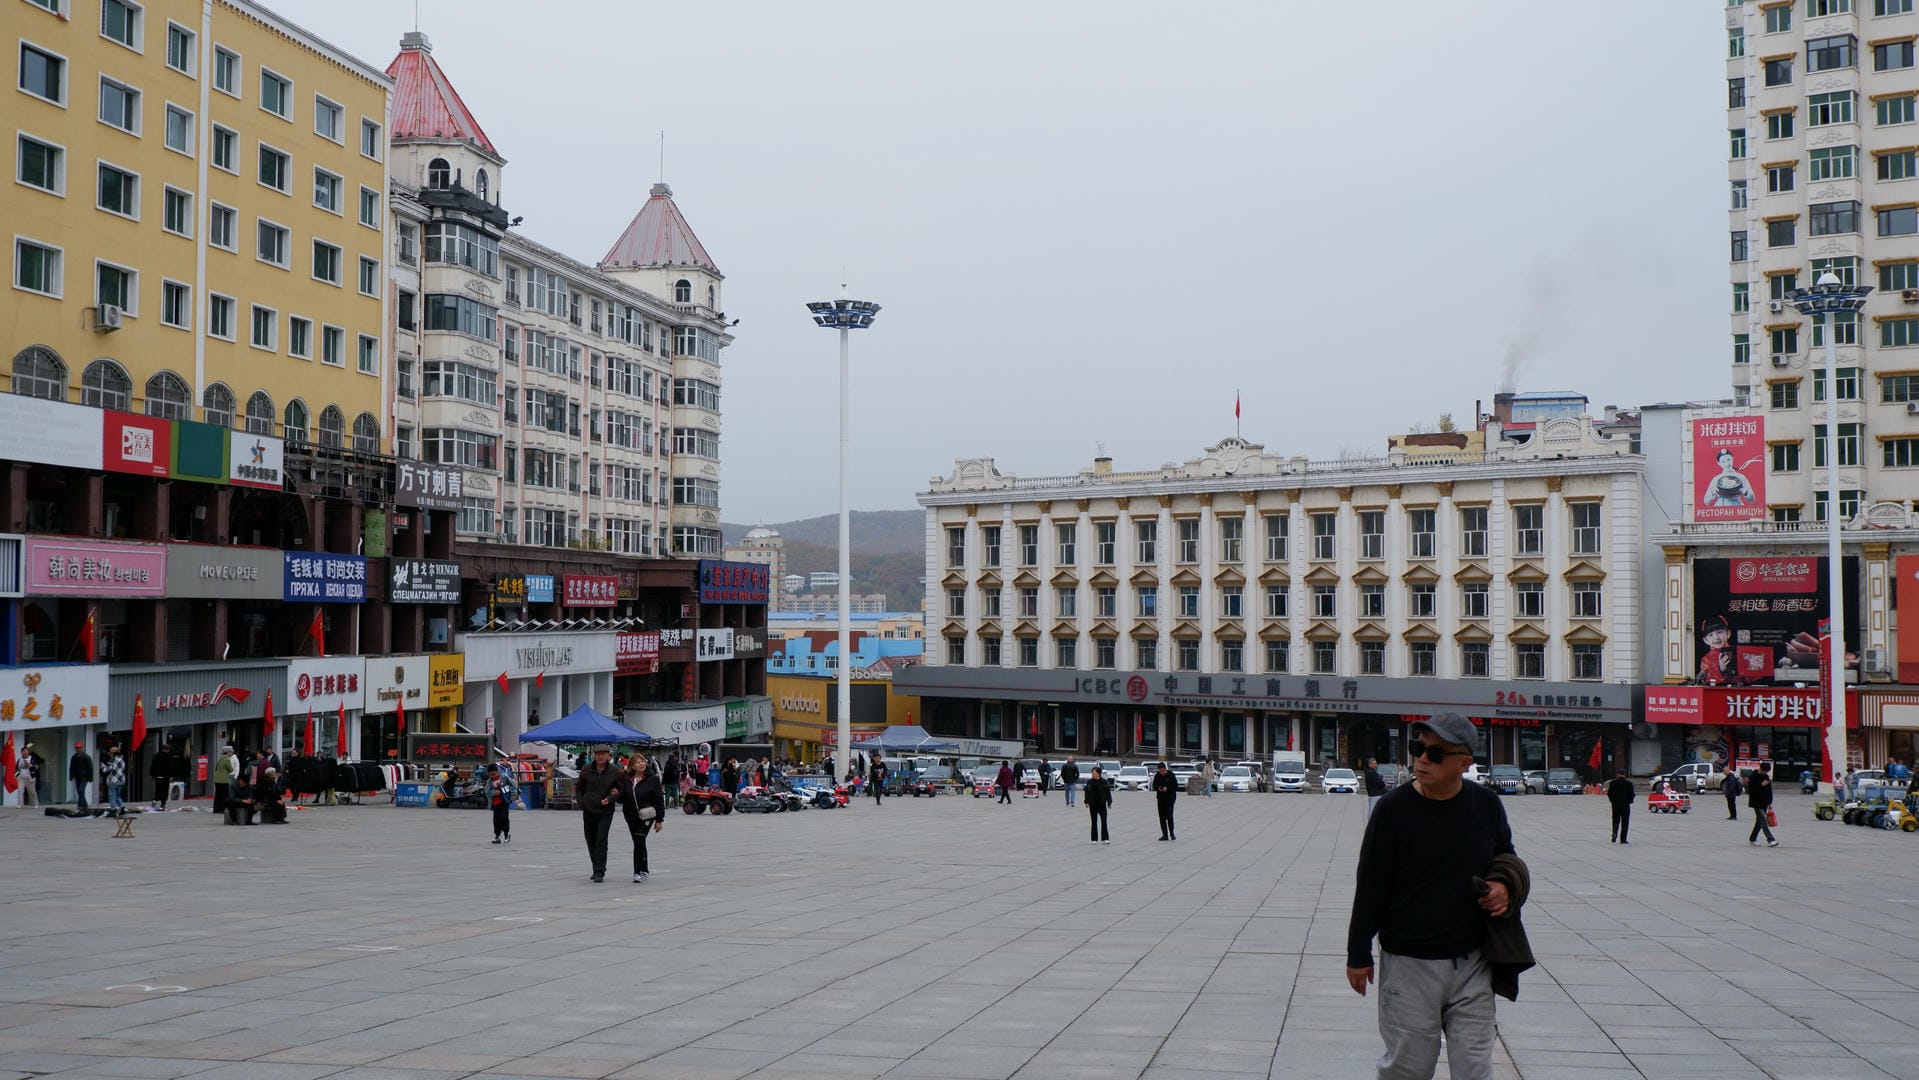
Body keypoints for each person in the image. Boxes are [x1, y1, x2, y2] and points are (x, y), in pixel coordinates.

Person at [1347, 712, 1527, 1080]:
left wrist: (1505, 887)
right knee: (1407, 1069)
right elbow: (1370, 884)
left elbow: (1505, 857)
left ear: (1465, 763)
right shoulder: (1392, 810)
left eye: (1436, 753)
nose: (1423, 760)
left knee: (1475, 1068)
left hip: (1474, 962)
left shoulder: (1486, 805)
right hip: (1409, 963)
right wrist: (1358, 953)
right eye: (1418, 749)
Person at [576, 745, 630, 883]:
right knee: (591, 839)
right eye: (598, 754)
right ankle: (596, 866)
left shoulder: (615, 771)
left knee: (601, 839)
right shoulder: (586, 769)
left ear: (609, 756)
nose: (600, 756)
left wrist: (611, 798)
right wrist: (581, 802)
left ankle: (599, 870)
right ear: (594, 755)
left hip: (605, 810)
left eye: (604, 754)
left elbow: (621, 789)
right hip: (589, 808)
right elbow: (579, 787)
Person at [622, 753, 665, 883]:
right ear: (631, 766)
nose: (641, 764)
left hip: (647, 814)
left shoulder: (652, 779)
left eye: (642, 761)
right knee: (638, 842)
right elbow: (622, 796)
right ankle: (644, 868)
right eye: (637, 762)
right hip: (631, 814)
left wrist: (659, 820)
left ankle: (637, 872)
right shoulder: (627, 779)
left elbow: (659, 800)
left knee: (639, 838)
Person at [1748, 761, 1778, 847]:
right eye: (1765, 771)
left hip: (1764, 802)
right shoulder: (1753, 776)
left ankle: (1752, 838)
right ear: (1760, 769)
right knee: (1763, 819)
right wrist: (1761, 785)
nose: (1765, 773)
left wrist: (1770, 802)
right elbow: (1751, 791)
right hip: (1756, 802)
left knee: (1759, 821)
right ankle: (1770, 839)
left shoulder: (1766, 776)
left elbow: (1769, 790)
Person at [486, 763, 517, 844]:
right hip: (495, 803)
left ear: (497, 771)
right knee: (496, 820)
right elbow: (487, 791)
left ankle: (507, 834)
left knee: (504, 818)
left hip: (504, 801)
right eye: (490, 775)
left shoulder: (504, 776)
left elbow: (513, 786)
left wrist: (513, 796)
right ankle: (497, 836)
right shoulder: (489, 781)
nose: (492, 776)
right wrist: (493, 792)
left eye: (493, 774)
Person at [1084, 765, 1112, 844]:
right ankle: (1094, 839)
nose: (1092, 774)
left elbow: (1108, 793)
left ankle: (1105, 838)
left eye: (1093, 772)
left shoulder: (1104, 782)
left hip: (1102, 804)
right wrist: (1086, 802)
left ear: (1098, 773)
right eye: (1092, 772)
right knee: (1094, 822)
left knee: (1104, 821)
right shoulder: (1090, 782)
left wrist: (1109, 802)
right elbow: (1087, 792)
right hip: (1093, 804)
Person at [1152, 761, 1178, 841]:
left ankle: (1172, 833)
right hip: (1160, 799)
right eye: (1160, 771)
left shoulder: (1170, 775)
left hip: (1170, 799)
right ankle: (1165, 834)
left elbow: (1175, 785)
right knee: (1162, 817)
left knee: (1169, 816)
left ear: (1165, 769)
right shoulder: (1157, 775)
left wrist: (1167, 788)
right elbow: (1154, 785)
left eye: (1162, 770)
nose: (1161, 772)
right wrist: (1158, 788)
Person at [1606, 769, 1634, 844]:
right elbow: (1632, 794)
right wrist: (1630, 801)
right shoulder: (1629, 784)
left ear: (1617, 774)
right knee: (1625, 822)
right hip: (1625, 805)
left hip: (1615, 805)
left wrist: (1612, 801)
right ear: (1624, 775)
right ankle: (1623, 839)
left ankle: (1614, 833)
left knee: (1615, 820)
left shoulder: (1613, 783)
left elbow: (1609, 793)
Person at [69, 742, 95, 815]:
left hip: (84, 777)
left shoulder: (86, 757)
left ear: (82, 748)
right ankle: (85, 805)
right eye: (77, 748)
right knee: (79, 791)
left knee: (81, 790)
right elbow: (71, 767)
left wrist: (90, 778)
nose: (78, 749)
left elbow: (90, 768)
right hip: (77, 777)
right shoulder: (74, 757)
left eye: (79, 748)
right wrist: (71, 776)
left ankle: (80, 805)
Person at [101, 746, 126, 815]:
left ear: (113, 753)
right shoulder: (122, 760)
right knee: (118, 795)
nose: (110, 755)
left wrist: (103, 766)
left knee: (112, 795)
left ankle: (113, 810)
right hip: (121, 780)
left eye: (111, 753)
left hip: (113, 781)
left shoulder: (112, 760)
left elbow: (107, 769)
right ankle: (122, 808)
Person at [17, 743, 38, 807]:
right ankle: (20, 804)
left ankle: (35, 803)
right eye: (23, 751)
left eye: (26, 751)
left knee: (31, 791)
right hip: (21, 777)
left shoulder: (32, 759)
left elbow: (36, 767)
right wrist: (16, 776)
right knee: (20, 790)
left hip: (29, 777)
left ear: (28, 752)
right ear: (21, 752)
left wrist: (29, 765)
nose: (25, 753)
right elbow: (17, 769)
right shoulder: (19, 760)